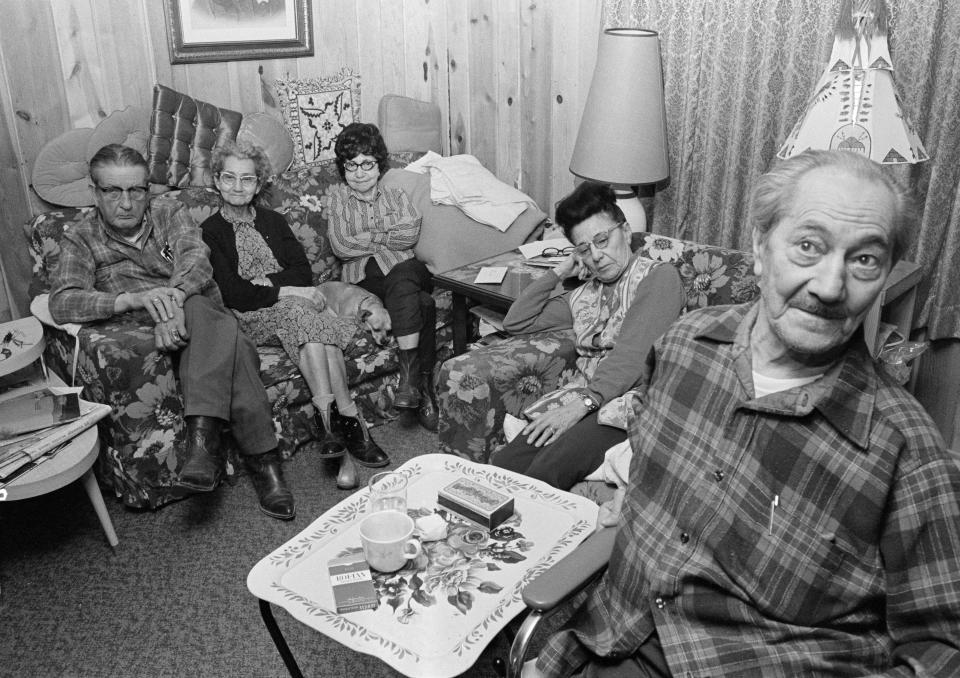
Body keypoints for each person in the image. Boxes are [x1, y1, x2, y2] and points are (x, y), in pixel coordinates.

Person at [529, 150, 960, 677]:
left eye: (865, 259)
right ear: (759, 248)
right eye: (808, 246)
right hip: (616, 642)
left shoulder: (906, 450)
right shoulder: (684, 347)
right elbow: (646, 469)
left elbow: (941, 649)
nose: (830, 286)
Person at [48, 144, 295, 520]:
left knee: (201, 308)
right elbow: (63, 301)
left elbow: (197, 262)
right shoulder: (80, 237)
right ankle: (266, 466)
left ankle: (202, 445)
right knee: (237, 345)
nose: (127, 202)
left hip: (197, 311)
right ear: (94, 191)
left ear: (148, 189)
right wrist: (135, 299)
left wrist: (173, 300)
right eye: (113, 191)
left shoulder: (169, 212)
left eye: (136, 190)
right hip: (155, 331)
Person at [200, 140, 388, 491]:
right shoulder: (210, 232)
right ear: (216, 181)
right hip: (251, 317)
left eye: (247, 179)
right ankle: (351, 420)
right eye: (229, 178)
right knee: (303, 312)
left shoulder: (273, 220)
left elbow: (301, 270)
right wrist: (285, 289)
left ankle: (329, 426)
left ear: (259, 184)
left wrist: (269, 283)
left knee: (307, 321)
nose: (238, 187)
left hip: (295, 309)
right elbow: (233, 292)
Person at [490, 182, 684, 490]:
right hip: (585, 398)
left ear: (625, 230)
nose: (596, 256)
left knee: (543, 473)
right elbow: (517, 320)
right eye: (584, 249)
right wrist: (561, 270)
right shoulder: (583, 295)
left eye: (602, 239)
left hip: (633, 404)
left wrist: (581, 405)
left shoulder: (658, 278)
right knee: (503, 466)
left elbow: (631, 359)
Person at [327, 122, 438, 431]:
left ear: (379, 166)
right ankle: (422, 387)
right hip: (366, 280)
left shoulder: (396, 194)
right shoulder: (337, 200)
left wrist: (368, 235)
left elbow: (411, 232)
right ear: (343, 168)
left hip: (407, 269)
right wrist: (387, 233)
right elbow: (341, 244)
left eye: (367, 164)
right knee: (424, 305)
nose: (359, 172)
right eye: (352, 165)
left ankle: (409, 381)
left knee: (403, 275)